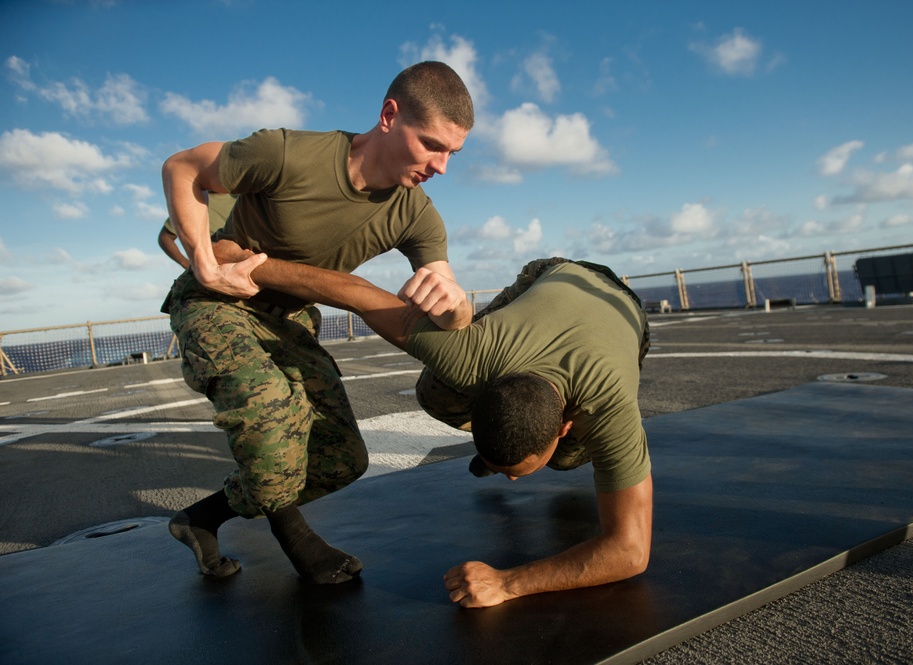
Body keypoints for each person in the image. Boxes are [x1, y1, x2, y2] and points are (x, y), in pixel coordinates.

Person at [160, 61, 474, 585]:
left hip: (288, 318)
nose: (441, 166)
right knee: (270, 413)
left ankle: (201, 519)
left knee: (341, 458)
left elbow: (446, 296)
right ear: (389, 116)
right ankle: (296, 537)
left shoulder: (416, 214)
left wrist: (457, 305)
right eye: (431, 145)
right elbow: (183, 167)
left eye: (453, 154)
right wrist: (206, 262)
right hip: (217, 303)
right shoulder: (287, 153)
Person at [211, 244, 652, 607]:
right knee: (435, 392)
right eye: (507, 471)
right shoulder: (470, 356)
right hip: (551, 277)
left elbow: (630, 552)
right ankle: (502, 451)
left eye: (515, 471)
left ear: (562, 426)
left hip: (620, 307)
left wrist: (507, 583)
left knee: (573, 461)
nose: (514, 483)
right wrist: (248, 263)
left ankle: (556, 452)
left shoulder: (606, 407)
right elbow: (355, 293)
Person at [157, 192, 237, 269]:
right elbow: (165, 237)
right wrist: (188, 265)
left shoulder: (242, 196)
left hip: (244, 265)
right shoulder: (192, 202)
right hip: (213, 270)